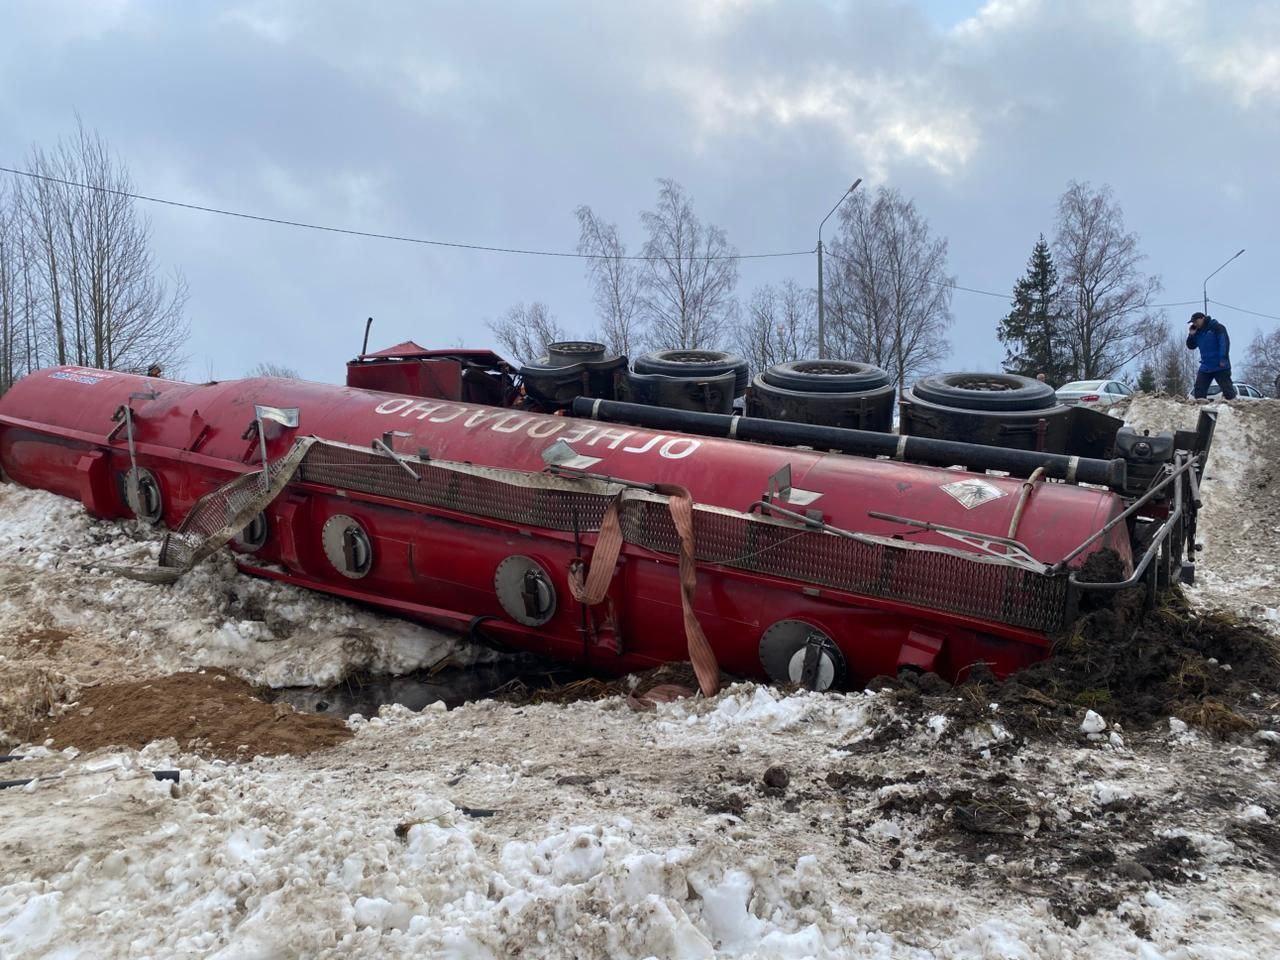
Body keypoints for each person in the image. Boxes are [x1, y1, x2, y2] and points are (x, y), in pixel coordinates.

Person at [1185, 312, 1237, 400]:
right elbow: (1191, 346)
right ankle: (1201, 409)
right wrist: (1191, 335)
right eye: (1193, 322)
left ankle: (1235, 407)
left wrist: (1223, 358)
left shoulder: (1217, 327)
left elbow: (1224, 343)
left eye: (1196, 321)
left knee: (1228, 392)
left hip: (1220, 365)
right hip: (1206, 366)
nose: (1194, 324)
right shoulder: (1197, 333)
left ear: (1202, 318)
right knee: (1199, 391)